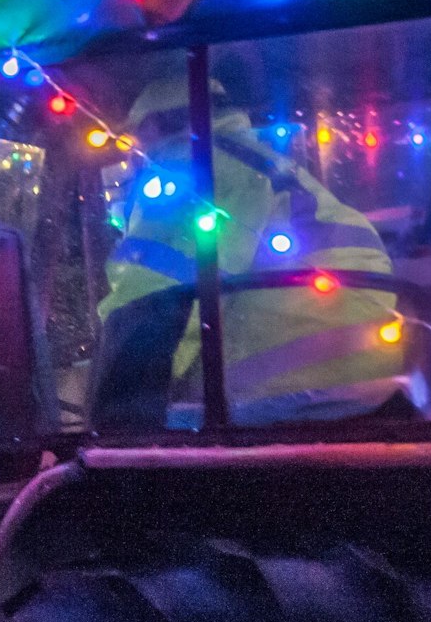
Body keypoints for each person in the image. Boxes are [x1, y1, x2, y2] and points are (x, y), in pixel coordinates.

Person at [91, 76, 405, 427]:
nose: (136, 153)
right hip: (370, 388)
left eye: (136, 137)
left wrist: (117, 410)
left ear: (153, 124)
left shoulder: (189, 167)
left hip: (282, 394)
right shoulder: (265, 164)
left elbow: (156, 293)